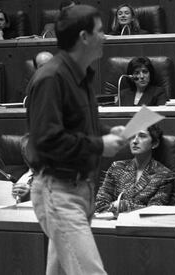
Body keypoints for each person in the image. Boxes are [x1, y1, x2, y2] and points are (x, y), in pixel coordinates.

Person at [25, 5, 125, 275]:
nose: (105, 36)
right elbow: (47, 139)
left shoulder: (80, 75)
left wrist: (106, 132)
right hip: (59, 190)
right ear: (84, 37)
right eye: (100, 31)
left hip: (80, 188)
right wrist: (100, 145)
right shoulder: (51, 77)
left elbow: (77, 125)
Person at [95, 125, 175, 213]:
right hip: (112, 223)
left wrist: (122, 205)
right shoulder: (117, 167)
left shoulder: (164, 175)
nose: (135, 141)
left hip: (144, 225)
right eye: (132, 136)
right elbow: (99, 204)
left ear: (154, 143)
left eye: (142, 136)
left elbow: (154, 211)